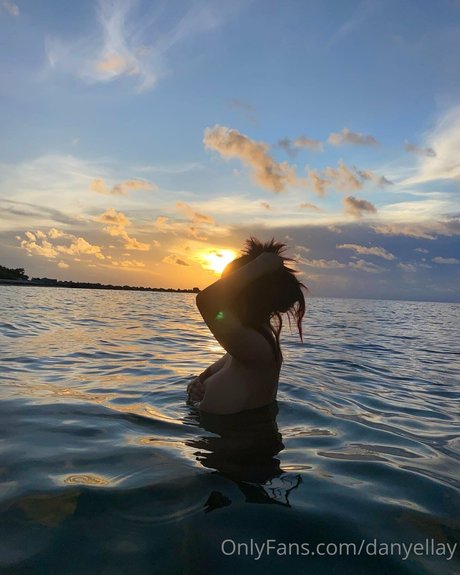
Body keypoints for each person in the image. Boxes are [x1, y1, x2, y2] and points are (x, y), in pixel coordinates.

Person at [187, 236, 307, 415]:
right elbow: (224, 361)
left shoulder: (257, 348)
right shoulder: (246, 344)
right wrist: (201, 379)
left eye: (229, 286)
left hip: (233, 432)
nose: (224, 293)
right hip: (222, 429)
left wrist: (265, 263)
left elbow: (206, 300)